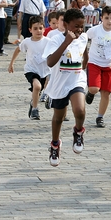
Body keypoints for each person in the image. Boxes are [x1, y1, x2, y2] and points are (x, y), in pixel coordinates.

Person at [42, 9, 89, 167]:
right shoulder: (54, 39)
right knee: (58, 117)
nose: (79, 30)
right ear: (66, 25)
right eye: (76, 26)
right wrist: (66, 42)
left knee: (80, 110)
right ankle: (55, 144)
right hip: (59, 83)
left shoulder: (83, 37)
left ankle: (78, 131)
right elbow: (50, 62)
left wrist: (84, 66)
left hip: (76, 80)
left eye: (82, 26)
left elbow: (84, 55)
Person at [84, 6, 111, 128]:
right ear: (101, 18)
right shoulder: (95, 30)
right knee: (94, 89)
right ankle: (90, 93)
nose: (109, 21)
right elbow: (83, 39)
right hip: (94, 62)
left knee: (106, 93)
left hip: (109, 65)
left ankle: (100, 117)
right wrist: (84, 55)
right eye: (107, 18)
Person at [8, 16, 51, 120]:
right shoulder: (27, 41)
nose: (38, 31)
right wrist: (11, 63)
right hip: (31, 70)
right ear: (30, 30)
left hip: (45, 71)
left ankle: (43, 98)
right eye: (35, 28)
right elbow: (18, 50)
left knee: (47, 86)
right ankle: (35, 110)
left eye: (40, 28)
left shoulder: (48, 41)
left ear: (44, 29)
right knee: (37, 86)